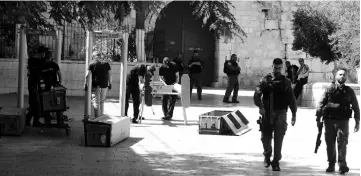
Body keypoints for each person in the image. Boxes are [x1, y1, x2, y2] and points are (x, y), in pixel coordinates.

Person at [253, 58, 297, 171]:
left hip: (281, 113)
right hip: (267, 113)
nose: (277, 70)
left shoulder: (286, 81)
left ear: (281, 67)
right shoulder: (265, 80)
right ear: (272, 66)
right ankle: (267, 155)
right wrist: (261, 107)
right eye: (275, 67)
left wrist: (294, 114)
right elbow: (257, 94)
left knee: (279, 138)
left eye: (279, 68)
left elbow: (291, 99)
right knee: (265, 138)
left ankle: (276, 161)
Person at [315, 69, 359, 174]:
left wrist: (357, 121)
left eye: (344, 75)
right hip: (329, 121)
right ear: (335, 76)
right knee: (330, 144)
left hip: (343, 121)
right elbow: (320, 103)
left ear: (346, 77)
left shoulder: (349, 91)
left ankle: (342, 165)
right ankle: (331, 164)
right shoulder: (329, 89)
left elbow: (356, 106)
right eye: (340, 74)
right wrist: (318, 118)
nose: (342, 76)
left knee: (342, 143)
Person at [84, 51, 112, 118]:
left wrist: (85, 84)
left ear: (94, 56)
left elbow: (87, 75)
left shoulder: (92, 63)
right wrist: (110, 83)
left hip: (96, 86)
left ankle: (97, 119)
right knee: (101, 102)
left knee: (96, 103)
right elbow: (110, 74)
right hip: (104, 85)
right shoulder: (106, 63)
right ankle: (101, 118)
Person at [25, 46, 48, 126]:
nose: (45, 54)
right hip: (36, 84)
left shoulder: (30, 60)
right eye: (44, 53)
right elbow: (43, 72)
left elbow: (29, 71)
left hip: (32, 82)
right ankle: (33, 121)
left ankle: (30, 121)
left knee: (33, 103)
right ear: (42, 53)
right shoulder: (41, 61)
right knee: (36, 103)